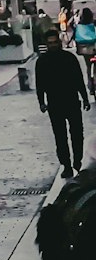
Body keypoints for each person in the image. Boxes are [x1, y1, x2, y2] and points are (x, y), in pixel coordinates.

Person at [36, 29, 91, 180]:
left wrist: (85, 98)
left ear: (59, 43)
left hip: (72, 101)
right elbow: (39, 84)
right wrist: (41, 102)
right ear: (47, 44)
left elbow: (78, 79)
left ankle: (77, 162)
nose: (53, 45)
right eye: (50, 43)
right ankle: (67, 165)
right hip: (55, 104)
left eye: (55, 42)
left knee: (77, 134)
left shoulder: (69, 58)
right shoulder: (42, 62)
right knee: (60, 137)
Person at [74, 7, 96, 94]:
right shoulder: (94, 23)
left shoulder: (79, 24)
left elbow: (76, 37)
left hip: (84, 50)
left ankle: (90, 86)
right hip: (94, 47)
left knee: (88, 67)